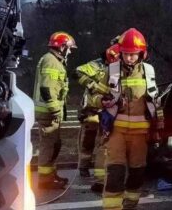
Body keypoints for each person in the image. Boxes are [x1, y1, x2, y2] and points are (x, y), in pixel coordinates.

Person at [100, 28, 161, 210]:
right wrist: (101, 99)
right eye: (126, 53)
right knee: (115, 171)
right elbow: (93, 95)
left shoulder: (149, 72)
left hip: (140, 133)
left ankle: (129, 208)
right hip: (117, 131)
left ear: (142, 54)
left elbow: (154, 103)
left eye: (133, 53)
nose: (129, 57)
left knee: (137, 172)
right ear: (121, 52)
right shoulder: (112, 70)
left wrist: (158, 128)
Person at [74, 40, 120, 192]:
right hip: (91, 108)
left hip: (105, 109)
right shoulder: (97, 65)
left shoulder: (116, 68)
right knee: (88, 139)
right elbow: (77, 72)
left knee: (103, 141)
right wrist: (92, 85)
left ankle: (100, 174)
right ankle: (83, 167)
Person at [34, 31, 76, 189]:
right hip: (48, 112)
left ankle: (50, 175)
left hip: (49, 111)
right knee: (49, 145)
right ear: (62, 47)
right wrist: (55, 110)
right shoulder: (52, 61)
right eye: (69, 48)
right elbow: (47, 88)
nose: (70, 52)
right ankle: (45, 180)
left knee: (54, 144)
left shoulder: (52, 59)